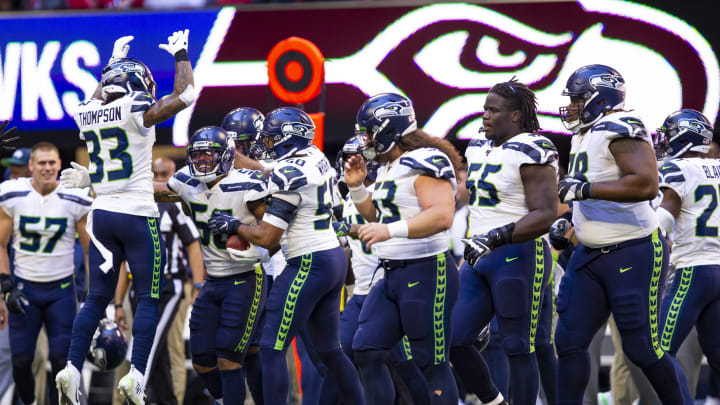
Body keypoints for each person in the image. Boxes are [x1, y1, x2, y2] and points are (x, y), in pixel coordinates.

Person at [55, 30, 196, 405]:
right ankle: (136, 376)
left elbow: (101, 97)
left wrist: (110, 66)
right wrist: (180, 54)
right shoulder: (136, 109)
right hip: (135, 213)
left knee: (95, 298)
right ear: (137, 83)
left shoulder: (86, 110)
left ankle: (70, 367)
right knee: (148, 298)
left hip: (100, 214)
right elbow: (186, 95)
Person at [207, 106, 365, 405]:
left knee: (270, 347)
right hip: (332, 256)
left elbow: (268, 238)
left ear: (288, 138)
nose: (266, 144)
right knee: (330, 350)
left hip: (307, 262)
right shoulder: (316, 157)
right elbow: (272, 170)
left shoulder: (286, 174)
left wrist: (235, 225)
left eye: (271, 138)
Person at [553, 64, 686, 404]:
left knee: (642, 348)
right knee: (568, 342)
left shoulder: (621, 125)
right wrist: (570, 219)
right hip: (590, 254)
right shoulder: (584, 133)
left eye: (578, 99)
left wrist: (584, 190)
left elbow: (645, 183)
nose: (571, 107)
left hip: (632, 250)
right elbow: (594, 190)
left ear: (599, 98)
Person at [342, 93, 461, 405]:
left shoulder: (425, 160)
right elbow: (376, 218)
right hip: (393, 273)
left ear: (387, 128)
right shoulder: (389, 165)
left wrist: (387, 230)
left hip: (427, 270)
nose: (364, 139)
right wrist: (356, 187)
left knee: (432, 365)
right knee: (366, 348)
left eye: (368, 132)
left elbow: (441, 216)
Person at [456, 79, 558, 405]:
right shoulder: (476, 146)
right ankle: (495, 402)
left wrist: (496, 236)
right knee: (455, 339)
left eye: (493, 110)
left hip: (519, 253)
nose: (485, 116)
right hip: (479, 256)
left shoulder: (533, 148)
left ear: (515, 115)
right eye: (484, 108)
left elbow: (545, 213)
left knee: (518, 346)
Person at [154, 126, 268, 404]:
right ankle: (225, 398)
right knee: (202, 360)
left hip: (245, 278)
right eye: (198, 154)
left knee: (229, 359)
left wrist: (248, 240)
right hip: (213, 281)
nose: (203, 160)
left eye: (211, 154)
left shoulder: (249, 184)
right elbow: (157, 191)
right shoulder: (185, 181)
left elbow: (272, 233)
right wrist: (104, 184)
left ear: (227, 155)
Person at [0, 142, 92, 405]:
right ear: (31, 166)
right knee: (20, 360)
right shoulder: (12, 194)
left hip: (61, 291)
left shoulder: (75, 196)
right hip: (24, 289)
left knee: (62, 361)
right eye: (41, 163)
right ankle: (29, 401)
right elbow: (0, 243)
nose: (47, 168)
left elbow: (89, 251)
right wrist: (5, 284)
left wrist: (92, 294)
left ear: (60, 164)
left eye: (52, 162)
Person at [113, 156, 204, 405]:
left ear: (174, 175)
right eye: (155, 173)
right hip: (137, 286)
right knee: (144, 347)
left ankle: (140, 398)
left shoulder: (175, 205)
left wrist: (197, 286)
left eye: (164, 174)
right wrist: (118, 301)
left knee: (163, 347)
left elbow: (193, 244)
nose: (159, 179)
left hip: (170, 285)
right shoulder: (132, 205)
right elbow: (122, 259)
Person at [653, 109, 720, 400]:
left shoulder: (677, 170)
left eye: (668, 136)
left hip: (694, 271)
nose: (664, 142)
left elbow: (662, 223)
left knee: (658, 351)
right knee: (717, 356)